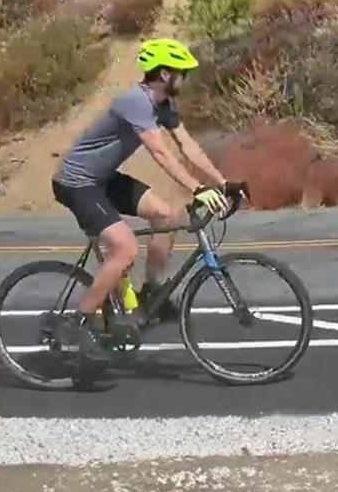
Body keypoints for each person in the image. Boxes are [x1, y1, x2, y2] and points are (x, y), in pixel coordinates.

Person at [50, 38, 244, 367]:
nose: (186, 79)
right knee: (125, 250)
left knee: (165, 215)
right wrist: (198, 189)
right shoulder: (136, 102)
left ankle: (151, 291)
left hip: (104, 179)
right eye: (183, 73)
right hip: (77, 183)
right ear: (166, 74)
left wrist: (222, 182)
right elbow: (160, 152)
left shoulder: (164, 105)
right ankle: (77, 322)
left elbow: (187, 146)